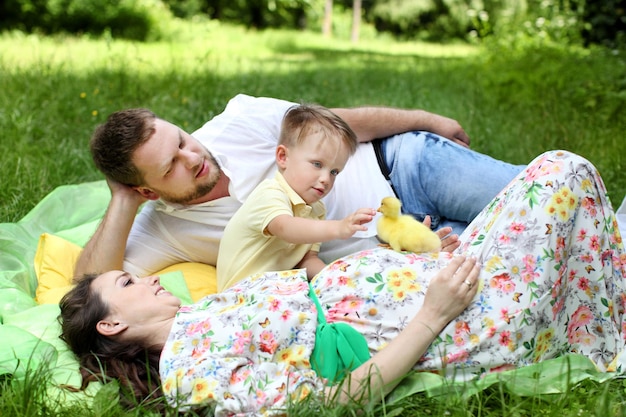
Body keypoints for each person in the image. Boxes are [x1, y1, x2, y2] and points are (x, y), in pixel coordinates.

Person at [60, 150, 626, 415]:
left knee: (558, 188)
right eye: (129, 282)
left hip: (433, 278)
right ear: (112, 321)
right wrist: (433, 310)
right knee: (561, 172)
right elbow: (329, 402)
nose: (150, 281)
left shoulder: (207, 310)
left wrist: (406, 259)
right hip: (458, 318)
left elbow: (314, 285)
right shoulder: (191, 371)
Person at [74, 94, 525, 279]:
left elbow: (342, 125)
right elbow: (90, 283)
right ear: (147, 192)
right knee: (519, 261)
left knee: (540, 196)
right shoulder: (162, 229)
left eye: (181, 141)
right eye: (169, 166)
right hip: (408, 245)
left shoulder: (238, 120)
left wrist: (430, 120)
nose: (192, 158)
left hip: (404, 167)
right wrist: (121, 199)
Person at [217, 103, 376, 289]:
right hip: (241, 295)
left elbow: (306, 260)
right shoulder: (270, 194)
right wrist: (338, 228)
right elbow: (285, 228)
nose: (326, 179)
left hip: (277, 293)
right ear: (283, 157)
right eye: (317, 164)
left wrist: (333, 279)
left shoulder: (316, 210)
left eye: (334, 172)